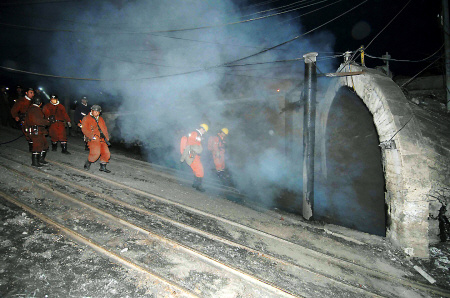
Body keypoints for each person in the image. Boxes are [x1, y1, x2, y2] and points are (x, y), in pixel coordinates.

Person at [81, 105, 111, 173]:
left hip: (101, 139)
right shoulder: (86, 118)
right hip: (93, 139)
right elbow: (84, 129)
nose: (97, 113)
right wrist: (91, 136)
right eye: (95, 111)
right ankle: (88, 162)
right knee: (95, 153)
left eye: (98, 112)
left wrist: (107, 137)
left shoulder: (100, 119)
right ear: (91, 111)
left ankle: (103, 167)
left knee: (106, 153)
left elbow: (104, 128)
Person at [180, 123, 208, 192]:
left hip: (193, 154)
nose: (204, 132)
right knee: (200, 169)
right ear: (201, 129)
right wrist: (193, 155)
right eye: (204, 131)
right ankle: (199, 186)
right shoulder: (195, 133)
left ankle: (195, 184)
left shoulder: (196, 134)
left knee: (196, 169)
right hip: (192, 154)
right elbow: (191, 145)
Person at [24, 96, 50, 167]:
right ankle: (35, 162)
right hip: (36, 131)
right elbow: (38, 121)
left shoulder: (32, 109)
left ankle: (41, 159)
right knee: (37, 146)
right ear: (40, 103)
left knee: (44, 145)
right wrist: (47, 122)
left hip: (38, 130)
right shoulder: (35, 109)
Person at [11, 87, 34, 151]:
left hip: (32, 118)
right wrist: (15, 116)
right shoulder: (21, 101)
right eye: (31, 93)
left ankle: (33, 145)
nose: (32, 94)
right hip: (24, 119)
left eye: (33, 93)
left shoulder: (33, 101)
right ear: (26, 93)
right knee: (28, 132)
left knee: (33, 132)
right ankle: (31, 147)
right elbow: (14, 109)